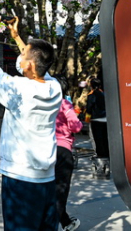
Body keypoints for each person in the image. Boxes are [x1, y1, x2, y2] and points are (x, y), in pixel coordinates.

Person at [0, 16, 62, 231]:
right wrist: (16, 37)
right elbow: (36, 66)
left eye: (22, 55)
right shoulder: (54, 88)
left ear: (30, 65)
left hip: (20, 176)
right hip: (46, 178)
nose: (19, 57)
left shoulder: (17, 89)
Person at [54, 77, 83, 231]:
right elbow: (76, 126)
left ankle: (65, 221)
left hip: (44, 150)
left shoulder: (43, 103)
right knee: (60, 190)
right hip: (62, 150)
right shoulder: (64, 103)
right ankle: (60, 222)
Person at [85, 76, 109, 179]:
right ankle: (107, 157)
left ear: (91, 85)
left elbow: (89, 107)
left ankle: (100, 158)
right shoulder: (104, 94)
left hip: (95, 119)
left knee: (97, 139)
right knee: (104, 138)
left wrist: (87, 118)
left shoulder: (92, 95)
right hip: (105, 119)